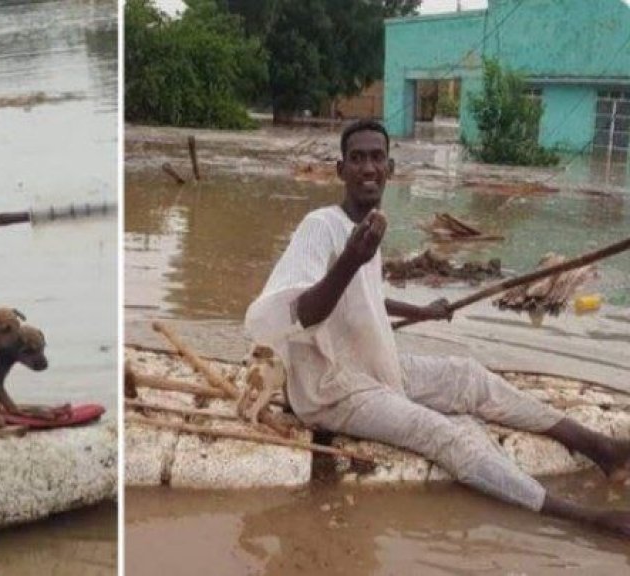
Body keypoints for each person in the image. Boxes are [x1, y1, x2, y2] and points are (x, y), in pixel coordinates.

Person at [245, 119, 630, 536]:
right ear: (341, 171)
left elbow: (366, 296)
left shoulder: (371, 224)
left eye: (377, 158)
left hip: (373, 363)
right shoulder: (319, 227)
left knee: (469, 376)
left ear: (390, 168)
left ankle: (600, 448)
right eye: (357, 159)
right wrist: (349, 261)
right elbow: (301, 312)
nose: (368, 168)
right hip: (330, 388)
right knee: (443, 432)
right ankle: (584, 517)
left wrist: (423, 310)